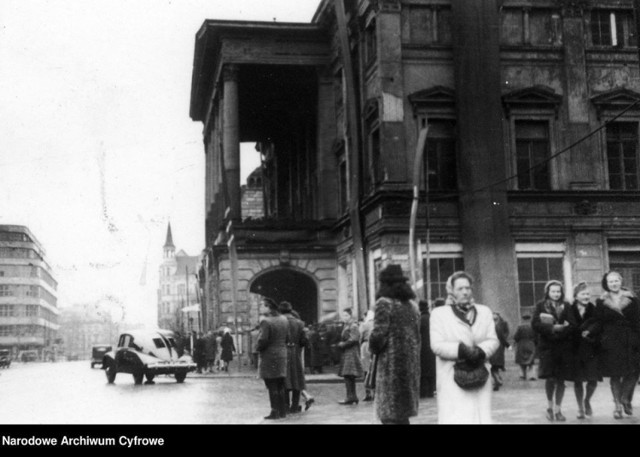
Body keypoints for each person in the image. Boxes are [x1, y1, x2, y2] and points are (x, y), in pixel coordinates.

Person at [430, 271, 499, 424]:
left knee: (481, 417)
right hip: (451, 376)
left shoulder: (484, 312)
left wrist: (480, 351)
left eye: (468, 288)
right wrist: (461, 350)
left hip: (480, 374)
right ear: (451, 291)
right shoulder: (439, 314)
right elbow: (436, 345)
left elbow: (493, 340)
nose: (465, 292)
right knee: (457, 418)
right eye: (460, 288)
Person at [369, 265, 421, 424]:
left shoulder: (384, 303)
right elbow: (417, 335)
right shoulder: (412, 306)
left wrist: (373, 346)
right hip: (409, 366)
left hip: (390, 368)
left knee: (389, 414)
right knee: (402, 415)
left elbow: (378, 335)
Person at [591, 271, 640, 419]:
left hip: (630, 339)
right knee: (615, 374)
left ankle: (625, 398)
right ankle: (618, 406)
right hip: (610, 341)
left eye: (616, 281)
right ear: (606, 284)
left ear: (621, 281)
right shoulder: (601, 302)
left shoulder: (632, 299)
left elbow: (638, 321)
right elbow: (598, 321)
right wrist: (592, 334)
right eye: (610, 281)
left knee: (633, 371)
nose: (613, 284)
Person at [532, 280, 573, 422]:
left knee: (561, 380)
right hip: (547, 348)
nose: (556, 294)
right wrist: (551, 329)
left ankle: (558, 410)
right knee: (550, 379)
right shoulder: (540, 305)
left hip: (562, 347)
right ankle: (549, 407)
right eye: (553, 291)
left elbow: (573, 324)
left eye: (558, 291)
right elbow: (535, 324)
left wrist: (563, 330)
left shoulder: (566, 306)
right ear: (547, 292)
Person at [564, 281, 600, 419]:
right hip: (574, 349)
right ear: (576, 296)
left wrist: (590, 331)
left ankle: (587, 401)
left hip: (590, 348)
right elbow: (563, 324)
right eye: (583, 294)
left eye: (588, 294)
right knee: (578, 380)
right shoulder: (569, 309)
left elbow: (598, 323)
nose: (586, 296)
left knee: (593, 380)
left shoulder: (593, 308)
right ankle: (580, 407)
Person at [256, 297, 289, 419]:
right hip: (282, 353)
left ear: (268, 307)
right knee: (280, 383)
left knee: (271, 384)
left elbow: (263, 340)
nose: (260, 307)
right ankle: (282, 411)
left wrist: (258, 348)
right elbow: (288, 338)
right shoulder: (284, 319)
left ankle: (274, 411)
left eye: (262, 305)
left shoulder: (266, 321)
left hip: (269, 355)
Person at [279, 301, 307, 413]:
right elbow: (304, 341)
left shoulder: (278, 322)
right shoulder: (300, 323)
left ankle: (285, 406)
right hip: (295, 353)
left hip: (282, 353)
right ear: (291, 310)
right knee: (297, 378)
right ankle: (295, 406)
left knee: (284, 379)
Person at [337, 307, 363, 405]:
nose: (344, 317)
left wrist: (343, 344)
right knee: (348, 375)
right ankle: (352, 396)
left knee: (349, 375)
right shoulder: (346, 325)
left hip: (351, 352)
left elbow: (354, 339)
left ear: (350, 316)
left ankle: (350, 397)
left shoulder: (353, 326)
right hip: (347, 352)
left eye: (346, 315)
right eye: (343, 315)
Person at [418, 300, 436, 398]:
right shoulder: (432, 318)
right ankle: (431, 390)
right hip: (432, 348)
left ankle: (424, 392)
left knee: (424, 372)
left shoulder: (420, 319)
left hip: (422, 349)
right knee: (431, 370)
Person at [489, 312, 510, 392]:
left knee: (492, 366)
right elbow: (502, 338)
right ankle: (498, 379)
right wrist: (508, 346)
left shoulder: (490, 327)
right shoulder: (498, 327)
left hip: (492, 347)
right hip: (498, 347)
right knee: (495, 366)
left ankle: (497, 379)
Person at [513, 314, 536, 380]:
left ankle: (523, 375)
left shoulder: (520, 327)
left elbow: (516, 337)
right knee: (531, 360)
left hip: (521, 344)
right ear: (530, 319)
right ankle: (532, 375)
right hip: (531, 343)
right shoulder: (533, 327)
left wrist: (516, 342)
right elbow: (536, 336)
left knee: (522, 360)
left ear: (523, 319)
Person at [359, 309, 375, 402]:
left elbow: (360, 337)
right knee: (373, 369)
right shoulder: (376, 324)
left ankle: (368, 393)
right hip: (374, 347)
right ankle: (375, 392)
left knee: (366, 370)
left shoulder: (364, 325)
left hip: (365, 347)